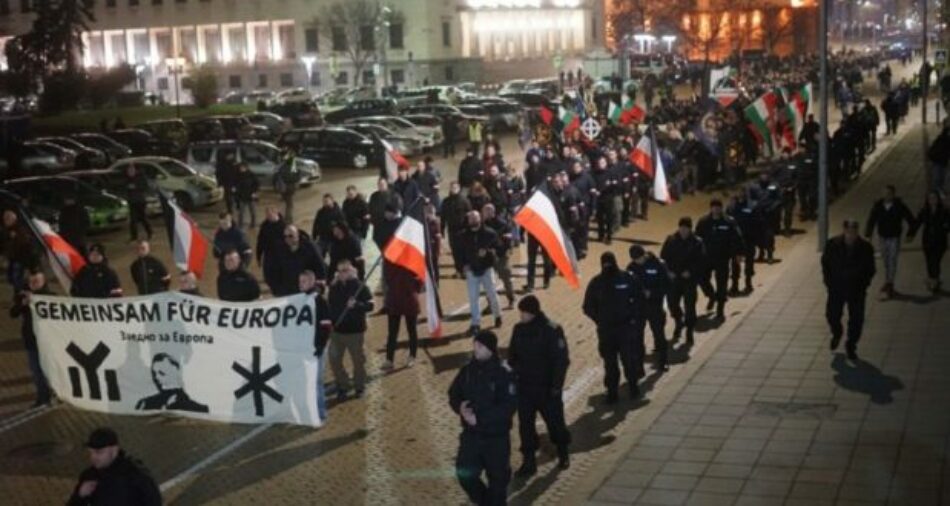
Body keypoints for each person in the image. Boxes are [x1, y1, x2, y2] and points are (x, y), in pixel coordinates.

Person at [448, 330, 517, 506]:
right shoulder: (468, 370)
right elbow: (454, 393)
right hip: (471, 436)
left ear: (490, 349)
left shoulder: (504, 373)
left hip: (496, 438)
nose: (475, 349)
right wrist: (460, 407)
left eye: (479, 346)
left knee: (498, 484)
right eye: (475, 345)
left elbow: (507, 407)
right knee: (465, 474)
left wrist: (480, 419)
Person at [508, 295, 571, 477]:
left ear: (533, 312)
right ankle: (529, 461)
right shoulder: (519, 330)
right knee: (525, 427)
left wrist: (556, 386)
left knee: (555, 422)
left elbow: (561, 360)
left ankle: (562, 451)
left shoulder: (551, 330)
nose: (521, 316)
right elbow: (513, 355)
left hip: (546, 388)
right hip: (525, 388)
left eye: (524, 313)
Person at [583, 252, 644, 402]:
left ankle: (633, 387)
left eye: (609, 263)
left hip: (625, 328)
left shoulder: (626, 278)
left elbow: (638, 297)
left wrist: (633, 317)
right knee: (610, 363)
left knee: (628, 360)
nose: (607, 266)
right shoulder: (596, 283)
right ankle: (612, 392)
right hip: (606, 330)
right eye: (605, 264)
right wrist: (599, 320)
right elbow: (587, 306)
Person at [822, 220, 876, 361]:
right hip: (837, 288)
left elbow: (870, 269)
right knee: (832, 315)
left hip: (856, 289)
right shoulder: (833, 245)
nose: (851, 234)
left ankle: (851, 345)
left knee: (856, 320)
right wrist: (829, 282)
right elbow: (825, 263)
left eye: (854, 231)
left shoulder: (865, 247)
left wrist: (864, 284)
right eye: (849, 231)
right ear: (844, 230)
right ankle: (837, 332)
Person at [67, 428, 162, 506]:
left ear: (114, 450)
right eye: (90, 452)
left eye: (99, 452)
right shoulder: (89, 475)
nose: (93, 457)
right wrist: (79, 495)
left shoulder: (136, 475)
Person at [327, 259, 373, 400]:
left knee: (358, 361)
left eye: (345, 270)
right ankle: (343, 384)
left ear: (352, 270)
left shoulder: (361, 286)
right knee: (334, 360)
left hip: (355, 332)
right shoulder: (334, 287)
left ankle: (359, 386)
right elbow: (329, 307)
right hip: (337, 331)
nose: (342, 274)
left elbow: (371, 305)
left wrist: (357, 305)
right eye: (339, 271)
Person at [10, 270, 53, 406]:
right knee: (36, 371)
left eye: (37, 281)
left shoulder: (51, 297)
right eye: (31, 281)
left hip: (48, 341)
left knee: (50, 370)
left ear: (43, 281)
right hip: (31, 340)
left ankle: (55, 394)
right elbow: (13, 313)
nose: (34, 284)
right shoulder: (24, 297)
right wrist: (23, 303)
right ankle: (42, 397)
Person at [696, 199, 744, 321]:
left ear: (721, 208)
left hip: (722, 257)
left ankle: (720, 309)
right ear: (711, 208)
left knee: (721, 284)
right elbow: (696, 239)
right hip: (706, 257)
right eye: (714, 207)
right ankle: (712, 296)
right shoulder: (703, 222)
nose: (716, 209)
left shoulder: (729, 222)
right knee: (702, 279)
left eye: (718, 207)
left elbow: (737, 238)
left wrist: (738, 253)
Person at [864, 185, 915, 299]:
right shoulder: (878, 206)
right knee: (886, 260)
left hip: (894, 238)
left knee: (892, 260)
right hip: (882, 237)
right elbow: (871, 219)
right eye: (885, 193)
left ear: (893, 194)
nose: (887, 196)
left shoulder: (899, 206)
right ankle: (888, 280)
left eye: (889, 193)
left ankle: (890, 283)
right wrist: (868, 234)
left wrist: (910, 234)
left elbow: (910, 219)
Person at [661, 218, 705, 343]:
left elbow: (701, 261)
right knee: (672, 304)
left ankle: (689, 330)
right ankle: (678, 321)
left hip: (689, 280)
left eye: (686, 228)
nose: (683, 230)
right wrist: (668, 272)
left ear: (690, 229)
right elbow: (663, 258)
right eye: (682, 228)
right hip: (674, 279)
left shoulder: (697, 242)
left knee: (690, 306)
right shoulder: (671, 240)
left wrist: (690, 271)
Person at [627, 245, 671, 372]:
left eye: (639, 258)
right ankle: (639, 366)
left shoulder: (657, 264)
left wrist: (653, 293)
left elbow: (667, 285)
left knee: (659, 334)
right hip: (639, 308)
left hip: (655, 305)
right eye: (635, 259)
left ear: (644, 255)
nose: (637, 261)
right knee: (637, 337)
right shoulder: (632, 268)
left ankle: (663, 361)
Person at [461, 210, 502, 335]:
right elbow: (459, 253)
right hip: (471, 270)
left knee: (492, 294)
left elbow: (499, 248)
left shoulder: (489, 233)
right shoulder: (463, 235)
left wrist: (488, 253)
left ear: (480, 219)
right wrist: (463, 266)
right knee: (473, 298)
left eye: (475, 218)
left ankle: (497, 315)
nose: (473, 220)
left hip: (486, 269)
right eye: (471, 218)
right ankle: (476, 323)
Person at [299, 270, 332, 421]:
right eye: (300, 282)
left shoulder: (320, 301)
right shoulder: (298, 300)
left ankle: (320, 412)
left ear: (312, 282)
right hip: (304, 347)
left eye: (304, 281)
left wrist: (320, 346)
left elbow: (326, 326)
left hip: (317, 347)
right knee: (306, 380)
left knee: (316, 381)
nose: (301, 284)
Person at [908, 191, 950, 293]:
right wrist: (911, 234)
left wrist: (946, 227)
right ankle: (933, 279)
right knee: (929, 261)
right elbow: (917, 223)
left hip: (940, 241)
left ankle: (934, 280)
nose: (932, 200)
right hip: (927, 240)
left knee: (935, 261)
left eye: (934, 198)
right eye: (930, 198)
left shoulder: (944, 211)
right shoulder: (924, 211)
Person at [270, 225, 327, 297]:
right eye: (285, 236)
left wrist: (319, 287)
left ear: (297, 235)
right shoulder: (280, 250)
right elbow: (274, 270)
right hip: (287, 291)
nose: (287, 239)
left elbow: (320, 267)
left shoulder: (309, 247)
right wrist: (276, 289)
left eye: (290, 236)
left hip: (307, 290)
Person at [383, 262, 420, 369]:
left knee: (411, 330)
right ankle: (389, 359)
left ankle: (412, 356)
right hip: (396, 300)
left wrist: (411, 287)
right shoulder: (389, 262)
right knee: (392, 332)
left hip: (408, 300)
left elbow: (420, 280)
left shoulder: (412, 262)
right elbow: (387, 278)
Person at [482, 204, 515, 309]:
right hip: (488, 257)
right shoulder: (483, 225)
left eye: (487, 212)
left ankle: (511, 299)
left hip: (501, 255)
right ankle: (491, 304)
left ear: (492, 212)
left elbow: (509, 239)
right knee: (488, 282)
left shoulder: (502, 224)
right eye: (484, 212)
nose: (485, 214)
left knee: (506, 278)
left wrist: (506, 249)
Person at [441, 181, 472, 278]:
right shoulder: (446, 201)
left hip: (463, 229)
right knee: (455, 251)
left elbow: (470, 214)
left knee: (464, 251)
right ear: (450, 189)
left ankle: (465, 270)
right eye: (452, 187)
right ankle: (458, 270)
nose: (454, 189)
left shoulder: (464, 200)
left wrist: (470, 228)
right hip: (451, 230)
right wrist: (442, 230)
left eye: (455, 187)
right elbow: (443, 217)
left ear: (459, 189)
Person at [1, 209, 36, 293]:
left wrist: (15, 237)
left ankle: (22, 292)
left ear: (12, 219)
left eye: (6, 219)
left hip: (19, 258)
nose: (4, 221)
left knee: (16, 278)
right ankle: (21, 291)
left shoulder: (19, 229)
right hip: (14, 258)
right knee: (12, 278)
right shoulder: (8, 230)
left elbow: (24, 243)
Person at [255, 206, 286, 294]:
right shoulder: (264, 226)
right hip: (268, 254)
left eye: (270, 214)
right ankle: (272, 287)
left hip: (280, 255)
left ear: (275, 213)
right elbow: (260, 241)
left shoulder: (283, 226)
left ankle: (278, 290)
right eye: (267, 215)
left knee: (280, 275)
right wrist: (258, 256)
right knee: (267, 275)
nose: (268, 216)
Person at [124, 164, 153, 242]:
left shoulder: (140, 177)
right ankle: (134, 236)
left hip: (140, 201)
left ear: (134, 170)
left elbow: (145, 187)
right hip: (132, 202)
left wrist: (135, 186)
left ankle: (150, 232)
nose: (130, 172)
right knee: (133, 220)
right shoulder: (127, 179)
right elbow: (125, 189)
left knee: (143, 218)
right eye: (129, 171)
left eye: (131, 170)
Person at [275, 150, 302, 223]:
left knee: (285, 203)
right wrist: (297, 178)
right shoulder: (291, 166)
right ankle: (288, 219)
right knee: (289, 205)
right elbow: (295, 177)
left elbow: (278, 175)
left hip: (283, 188)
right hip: (289, 187)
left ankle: (282, 218)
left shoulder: (281, 166)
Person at [234, 163, 259, 229]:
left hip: (251, 196)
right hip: (242, 197)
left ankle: (253, 224)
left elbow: (257, 184)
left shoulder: (251, 175)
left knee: (253, 211)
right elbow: (236, 185)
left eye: (243, 167)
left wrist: (254, 192)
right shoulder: (238, 176)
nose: (241, 169)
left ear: (246, 167)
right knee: (241, 212)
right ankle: (240, 224)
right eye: (240, 168)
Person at [215, 150, 238, 214]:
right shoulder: (222, 163)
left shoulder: (234, 162)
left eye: (232, 155)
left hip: (234, 182)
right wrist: (219, 183)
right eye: (230, 155)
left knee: (235, 195)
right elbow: (218, 174)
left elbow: (237, 172)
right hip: (226, 182)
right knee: (228, 197)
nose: (231, 156)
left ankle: (235, 207)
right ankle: (230, 209)